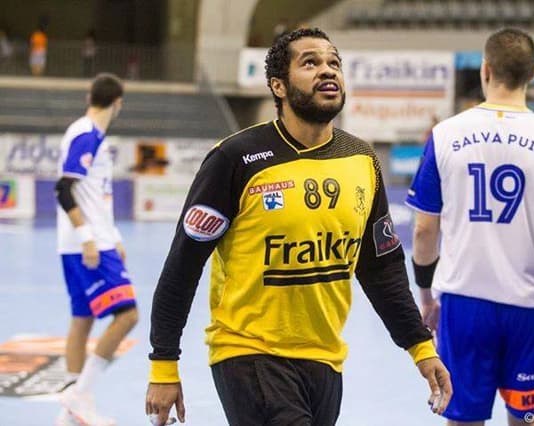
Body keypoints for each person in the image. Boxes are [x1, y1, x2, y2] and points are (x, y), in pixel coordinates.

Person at [145, 27, 452, 426]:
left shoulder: (361, 160)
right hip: (249, 352)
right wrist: (164, 366)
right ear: (279, 86)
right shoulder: (235, 159)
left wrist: (420, 348)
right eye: (310, 62)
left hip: (325, 358)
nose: (328, 71)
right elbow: (182, 267)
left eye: (333, 62)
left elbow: (380, 267)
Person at [407, 28, 534, 425]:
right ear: (533, 72)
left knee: (462, 416)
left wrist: (426, 297)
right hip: (530, 307)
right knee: (527, 417)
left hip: (464, 302)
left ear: (485, 70)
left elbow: (425, 231)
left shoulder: (444, 135)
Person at [55, 73, 138, 426]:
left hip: (86, 242)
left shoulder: (90, 135)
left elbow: (93, 196)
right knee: (128, 316)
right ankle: (78, 394)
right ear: (118, 102)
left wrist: (114, 234)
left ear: (91, 95)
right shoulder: (87, 134)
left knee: (82, 319)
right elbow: (64, 189)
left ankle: (71, 413)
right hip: (88, 245)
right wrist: (90, 237)